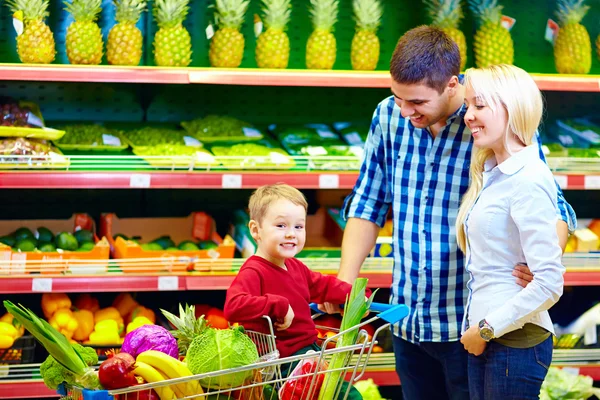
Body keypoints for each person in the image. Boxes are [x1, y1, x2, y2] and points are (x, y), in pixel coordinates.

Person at [325, 25, 576, 400]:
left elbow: (555, 206)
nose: (406, 111)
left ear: (452, 85)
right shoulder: (388, 117)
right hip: (407, 320)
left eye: (418, 103)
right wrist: (344, 282)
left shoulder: (491, 125)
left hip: (468, 325)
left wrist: (538, 261)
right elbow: (368, 202)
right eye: (398, 98)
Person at [457, 63, 564, 399]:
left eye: (479, 105)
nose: (468, 116)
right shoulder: (494, 172)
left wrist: (487, 329)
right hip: (488, 339)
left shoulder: (528, 179)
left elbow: (549, 282)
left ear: (511, 106)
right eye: (467, 106)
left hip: (513, 344)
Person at [224, 183, 363, 399]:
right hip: (282, 361)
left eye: (298, 227)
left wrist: (355, 295)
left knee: (343, 391)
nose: (291, 234)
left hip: (309, 351)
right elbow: (234, 306)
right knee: (349, 396)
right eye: (281, 226)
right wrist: (278, 305)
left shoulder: (295, 266)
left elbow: (323, 285)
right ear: (255, 230)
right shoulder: (254, 271)